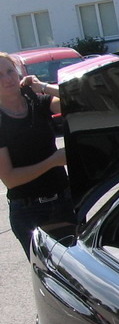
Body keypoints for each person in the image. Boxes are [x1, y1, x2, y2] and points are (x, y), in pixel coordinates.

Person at [0, 52, 74, 259]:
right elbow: (10, 179)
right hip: (29, 210)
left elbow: (77, 102)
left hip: (64, 199)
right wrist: (53, 161)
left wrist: (42, 86)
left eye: (10, 71)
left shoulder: (35, 100)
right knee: (49, 272)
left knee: (79, 268)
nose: (7, 79)